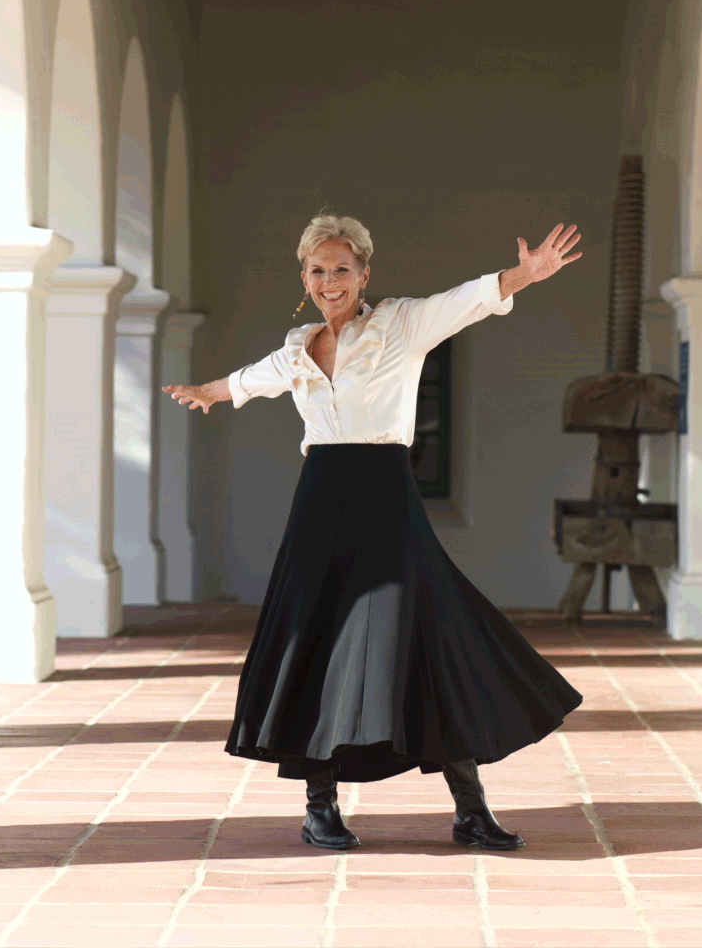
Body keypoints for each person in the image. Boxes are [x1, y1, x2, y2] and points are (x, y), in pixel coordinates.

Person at [162, 214, 587, 851]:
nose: (329, 280)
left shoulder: (400, 324)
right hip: (320, 506)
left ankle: (471, 811)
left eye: (341, 268)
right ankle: (320, 808)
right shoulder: (297, 347)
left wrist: (525, 274)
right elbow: (251, 380)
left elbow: (469, 300)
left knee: (428, 637)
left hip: (386, 497)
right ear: (303, 278)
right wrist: (208, 392)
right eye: (317, 270)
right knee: (318, 642)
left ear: (364, 273)